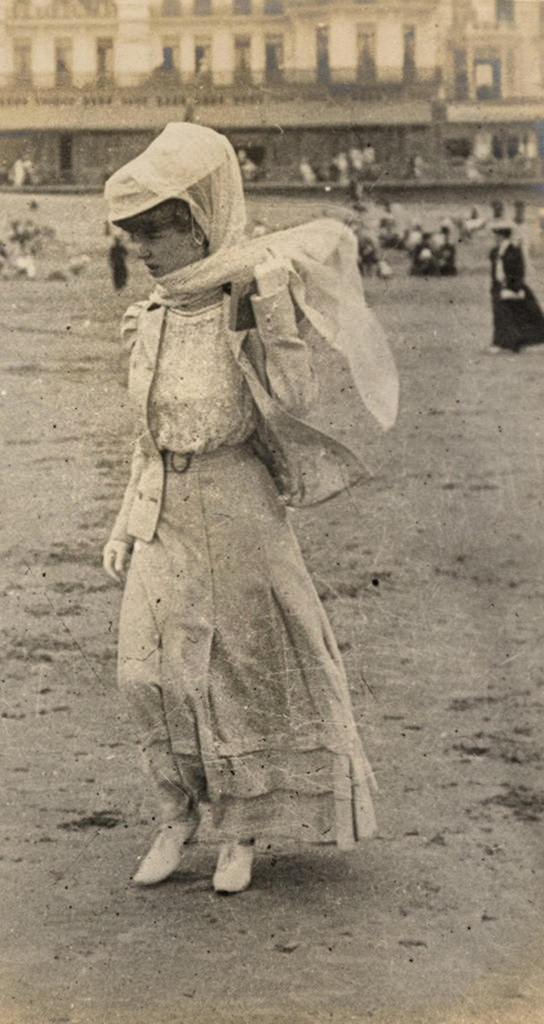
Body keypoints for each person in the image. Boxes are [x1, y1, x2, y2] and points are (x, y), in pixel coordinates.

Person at [102, 122, 397, 895]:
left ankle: (243, 829)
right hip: (164, 504)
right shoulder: (155, 317)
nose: (143, 253)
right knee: (146, 675)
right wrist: (123, 522)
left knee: (241, 670)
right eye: (134, 240)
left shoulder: (247, 298)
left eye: (154, 236)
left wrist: (271, 313)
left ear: (196, 226)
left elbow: (297, 398)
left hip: (238, 504)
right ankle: (178, 811)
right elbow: (146, 433)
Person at [488, 220, 544, 354]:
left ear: (501, 236)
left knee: (515, 316)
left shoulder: (514, 251)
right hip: (499, 288)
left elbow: (519, 271)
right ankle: (505, 343)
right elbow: (495, 271)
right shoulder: (495, 251)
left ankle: (506, 343)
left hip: (513, 288)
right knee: (501, 315)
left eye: (496, 235)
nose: (494, 237)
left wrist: (514, 288)